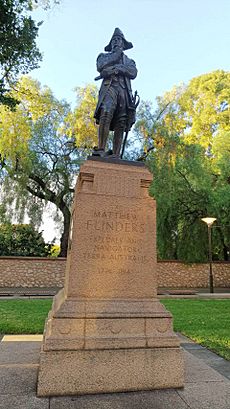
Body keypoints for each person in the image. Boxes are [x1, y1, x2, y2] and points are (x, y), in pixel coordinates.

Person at [93, 28, 138, 158]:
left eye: (119, 40)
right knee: (106, 112)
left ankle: (116, 154)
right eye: (114, 40)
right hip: (109, 88)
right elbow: (101, 66)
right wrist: (116, 56)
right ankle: (101, 149)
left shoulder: (130, 61)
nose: (116, 42)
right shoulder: (103, 56)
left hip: (124, 92)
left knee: (121, 121)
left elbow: (133, 72)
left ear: (123, 43)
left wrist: (117, 68)